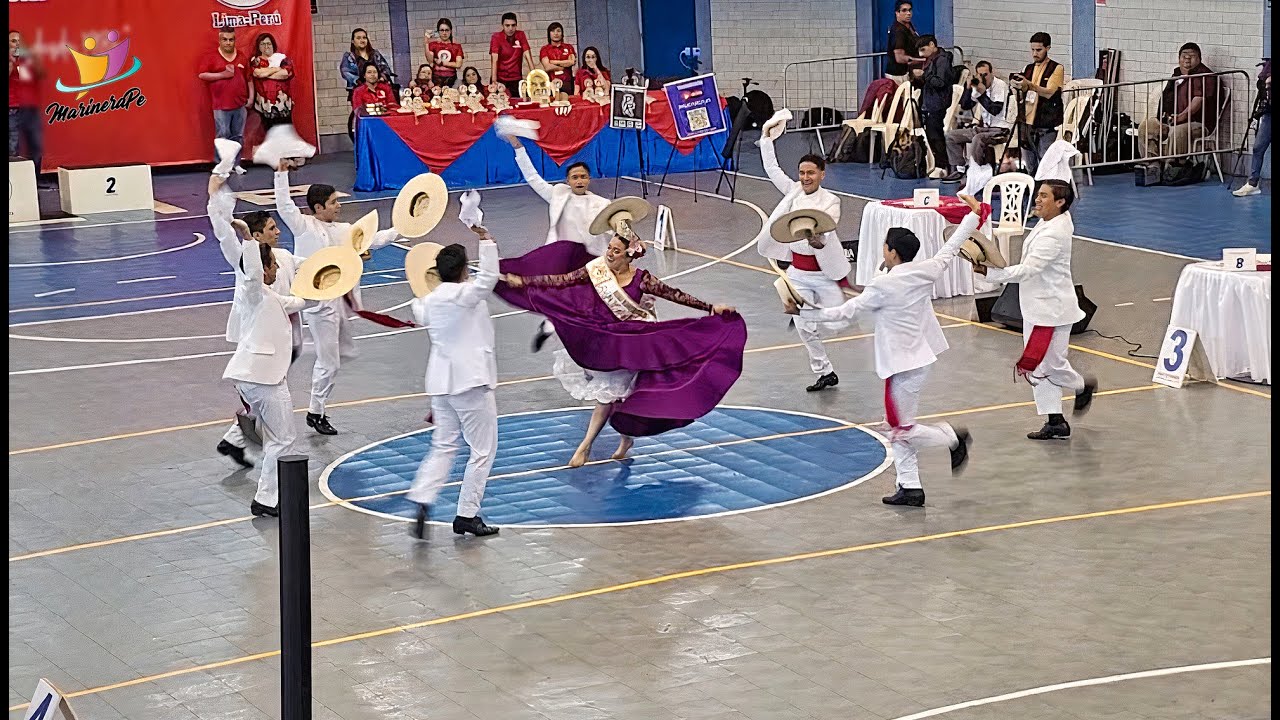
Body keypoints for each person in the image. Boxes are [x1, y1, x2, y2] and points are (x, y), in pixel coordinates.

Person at [500, 233, 744, 468]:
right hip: (602, 341)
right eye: (609, 248)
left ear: (629, 255)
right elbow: (562, 280)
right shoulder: (596, 270)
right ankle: (625, 439)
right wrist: (525, 282)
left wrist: (710, 307)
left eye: (616, 251)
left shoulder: (643, 279)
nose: (609, 253)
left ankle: (585, 446)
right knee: (619, 396)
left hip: (629, 346)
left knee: (607, 396)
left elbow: (675, 295)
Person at [800, 197, 985, 507]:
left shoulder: (883, 285)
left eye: (885, 246)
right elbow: (951, 247)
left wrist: (808, 313)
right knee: (897, 424)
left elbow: (848, 311)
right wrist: (972, 217)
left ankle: (951, 438)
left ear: (893, 252)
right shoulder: (926, 270)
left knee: (901, 429)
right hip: (916, 359)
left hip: (902, 365)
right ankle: (910, 487)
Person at [273, 160, 402, 435]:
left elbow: (372, 239)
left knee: (340, 355)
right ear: (318, 207)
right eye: (333, 202)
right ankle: (315, 412)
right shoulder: (303, 226)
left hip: (339, 301)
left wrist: (403, 227)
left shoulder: (343, 230)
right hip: (319, 304)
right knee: (330, 361)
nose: (339, 206)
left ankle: (312, 376)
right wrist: (281, 174)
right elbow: (284, 205)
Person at [971, 179, 1097, 440]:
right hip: (1038, 308)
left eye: (1044, 196)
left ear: (1060, 202)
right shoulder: (1051, 220)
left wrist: (990, 273)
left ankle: (1080, 386)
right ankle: (1055, 421)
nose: (1037, 200)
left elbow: (1029, 270)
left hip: (1051, 312)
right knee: (1040, 365)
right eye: (1038, 194)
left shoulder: (1054, 234)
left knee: (1047, 365)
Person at [408, 232, 502, 539]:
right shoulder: (464, 294)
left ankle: (423, 496)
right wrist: (486, 240)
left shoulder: (427, 302)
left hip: (440, 383)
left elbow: (419, 307)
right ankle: (467, 514)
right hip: (470, 382)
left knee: (443, 445)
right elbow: (489, 278)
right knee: (482, 450)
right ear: (463, 270)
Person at [209, 172, 305, 468]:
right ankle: (238, 439)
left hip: (285, 337)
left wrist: (349, 259)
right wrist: (214, 198)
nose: (278, 232)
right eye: (272, 228)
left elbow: (313, 268)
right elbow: (224, 235)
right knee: (267, 398)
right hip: (261, 341)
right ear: (258, 235)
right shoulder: (247, 266)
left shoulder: (283, 256)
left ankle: (234, 439)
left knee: (267, 399)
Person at [756, 112, 850, 392]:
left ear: (822, 174)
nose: (805, 177)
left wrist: (814, 238)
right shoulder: (793, 192)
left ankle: (817, 317)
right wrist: (766, 139)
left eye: (811, 173)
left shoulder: (832, 201)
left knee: (829, 323)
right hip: (796, 272)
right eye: (802, 173)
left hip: (822, 273)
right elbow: (773, 170)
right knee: (803, 326)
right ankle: (825, 371)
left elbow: (824, 235)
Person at [221, 237, 306, 517]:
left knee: (276, 437)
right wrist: (248, 239)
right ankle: (266, 499)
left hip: (254, 378)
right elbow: (253, 272)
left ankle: (268, 495)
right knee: (283, 439)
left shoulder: (270, 296)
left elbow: (298, 301)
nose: (277, 270)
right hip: (263, 379)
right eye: (273, 265)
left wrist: (332, 283)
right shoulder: (253, 291)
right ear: (262, 268)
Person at [505, 134, 612, 351]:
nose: (579, 181)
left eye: (583, 177)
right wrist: (518, 147)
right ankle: (551, 327)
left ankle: (569, 334)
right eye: (575, 177)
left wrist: (628, 238)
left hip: (589, 261)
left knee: (590, 303)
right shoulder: (558, 195)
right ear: (567, 181)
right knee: (561, 299)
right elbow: (533, 177)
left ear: (589, 179)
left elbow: (614, 226)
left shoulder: (602, 203)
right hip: (559, 259)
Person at [1137, 43, 1219, 165]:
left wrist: (1181, 117)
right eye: (1184, 56)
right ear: (1179, 59)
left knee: (1178, 131)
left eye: (1192, 56)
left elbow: (1198, 100)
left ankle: (1174, 167)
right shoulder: (1176, 75)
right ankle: (1152, 164)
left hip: (1198, 123)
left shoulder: (1205, 76)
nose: (1187, 59)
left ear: (1199, 59)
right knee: (1147, 127)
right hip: (1172, 120)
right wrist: (1166, 118)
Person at [943, 60, 1011, 183]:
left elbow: (995, 110)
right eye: (980, 75)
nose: (983, 78)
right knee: (951, 136)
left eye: (986, 74)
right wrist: (968, 88)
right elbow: (965, 105)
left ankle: (975, 171)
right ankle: (960, 169)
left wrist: (981, 94)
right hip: (984, 128)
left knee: (977, 138)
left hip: (1000, 129)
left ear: (992, 73)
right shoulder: (978, 85)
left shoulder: (1000, 85)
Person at [198, 28, 250, 175]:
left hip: (240, 103)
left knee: (238, 136)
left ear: (235, 40)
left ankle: (236, 164)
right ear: (220, 40)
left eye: (231, 39)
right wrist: (223, 74)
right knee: (223, 135)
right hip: (220, 104)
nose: (228, 42)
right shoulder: (211, 57)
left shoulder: (241, 56)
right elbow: (202, 75)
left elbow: (249, 79)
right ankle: (221, 164)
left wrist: (251, 97)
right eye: (225, 39)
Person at [1012, 32, 1064, 176]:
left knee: (1045, 160)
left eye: (1039, 50)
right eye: (1033, 50)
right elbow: (1023, 90)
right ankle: (1032, 182)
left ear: (1048, 48)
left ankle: (1046, 184)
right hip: (1027, 120)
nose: (1035, 54)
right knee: (1029, 162)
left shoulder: (1057, 68)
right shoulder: (1028, 68)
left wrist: (1029, 85)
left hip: (1047, 120)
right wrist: (1017, 85)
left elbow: (1049, 92)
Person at [340, 29, 394, 139]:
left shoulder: (375, 54)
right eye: (358, 38)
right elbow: (345, 71)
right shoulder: (349, 57)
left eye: (364, 37)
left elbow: (386, 68)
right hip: (358, 90)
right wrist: (359, 81)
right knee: (361, 115)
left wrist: (381, 77)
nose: (362, 40)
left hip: (378, 88)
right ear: (353, 41)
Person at [913, 35, 954, 175]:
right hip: (929, 101)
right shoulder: (930, 60)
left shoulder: (942, 60)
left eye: (923, 50)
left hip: (938, 103)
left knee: (935, 134)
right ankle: (937, 163)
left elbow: (940, 82)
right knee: (931, 134)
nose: (921, 54)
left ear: (932, 44)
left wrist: (924, 75)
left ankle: (943, 165)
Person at [8, 30, 44, 178]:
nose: (17, 44)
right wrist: (11, 60)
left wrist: (33, 59)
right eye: (13, 41)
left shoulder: (27, 59)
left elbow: (40, 75)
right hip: (13, 109)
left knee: (36, 146)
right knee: (13, 147)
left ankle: (34, 181)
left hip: (30, 108)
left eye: (19, 41)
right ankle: (14, 183)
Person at [1234, 58, 1271, 197]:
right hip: (1269, 113)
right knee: (1258, 147)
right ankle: (1253, 183)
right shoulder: (1267, 68)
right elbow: (1262, 89)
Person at [248, 33, 294, 130]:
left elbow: (285, 74)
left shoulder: (282, 58)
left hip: (283, 104)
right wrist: (276, 69)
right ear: (258, 47)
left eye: (268, 43)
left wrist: (265, 73)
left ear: (273, 45)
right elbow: (257, 73)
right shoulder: (255, 60)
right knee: (269, 133)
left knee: (285, 132)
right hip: (265, 106)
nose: (266, 46)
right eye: (262, 44)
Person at [490, 12, 533, 98]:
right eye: (507, 25)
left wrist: (534, 75)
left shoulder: (520, 35)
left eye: (513, 25)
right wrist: (494, 81)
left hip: (516, 79)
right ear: (502, 25)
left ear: (516, 25)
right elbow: (494, 59)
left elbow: (527, 55)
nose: (510, 28)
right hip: (500, 79)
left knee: (519, 102)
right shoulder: (496, 37)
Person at [884, 0, 923, 82]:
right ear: (897, 13)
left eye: (910, 10)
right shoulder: (898, 31)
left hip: (906, 72)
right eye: (904, 10)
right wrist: (923, 60)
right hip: (897, 75)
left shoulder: (909, 26)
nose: (908, 13)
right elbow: (900, 58)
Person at [540, 22, 576, 95]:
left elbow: (572, 62)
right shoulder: (544, 49)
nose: (556, 33)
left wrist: (553, 62)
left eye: (558, 31)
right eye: (553, 31)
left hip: (567, 83)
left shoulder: (569, 47)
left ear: (562, 33)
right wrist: (562, 66)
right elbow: (547, 67)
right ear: (549, 34)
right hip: (551, 83)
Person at [426, 18, 463, 88]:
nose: (444, 33)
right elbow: (430, 61)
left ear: (450, 31)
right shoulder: (433, 45)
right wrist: (426, 43)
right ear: (438, 31)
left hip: (451, 79)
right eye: (442, 30)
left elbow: (458, 64)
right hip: (436, 79)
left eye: (447, 30)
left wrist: (442, 63)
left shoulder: (456, 46)